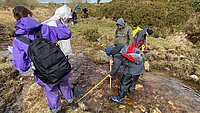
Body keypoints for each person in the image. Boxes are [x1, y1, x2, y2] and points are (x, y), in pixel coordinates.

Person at [12, 6, 77, 113]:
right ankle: (71, 103)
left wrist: (31, 61)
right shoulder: (44, 28)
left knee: (51, 91)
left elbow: (22, 67)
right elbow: (67, 33)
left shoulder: (18, 41)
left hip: (44, 73)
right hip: (59, 66)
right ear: (29, 15)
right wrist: (60, 23)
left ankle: (57, 110)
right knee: (64, 84)